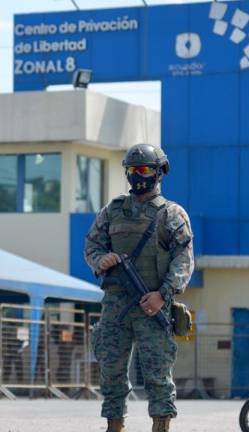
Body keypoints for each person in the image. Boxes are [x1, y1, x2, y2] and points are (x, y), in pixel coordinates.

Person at [84, 144, 194, 432]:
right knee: (111, 372)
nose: (138, 176)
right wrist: (100, 259)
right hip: (117, 306)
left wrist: (163, 295)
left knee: (158, 374)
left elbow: (184, 259)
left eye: (144, 169)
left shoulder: (172, 214)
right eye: (132, 170)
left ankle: (160, 427)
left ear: (159, 173)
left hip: (152, 306)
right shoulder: (113, 210)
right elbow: (91, 244)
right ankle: (114, 426)